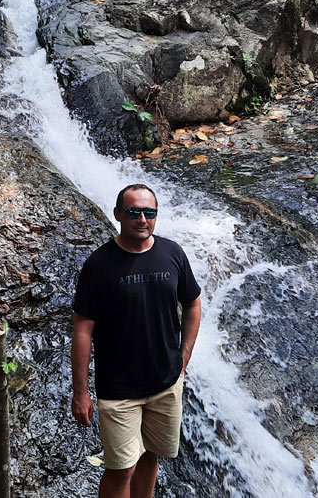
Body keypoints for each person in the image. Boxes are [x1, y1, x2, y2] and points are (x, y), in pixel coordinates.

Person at [71, 183, 202, 498]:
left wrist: (184, 357)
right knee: (121, 469)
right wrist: (80, 392)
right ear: (118, 214)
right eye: (134, 212)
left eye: (149, 212)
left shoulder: (172, 253)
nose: (142, 219)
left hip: (166, 384)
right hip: (119, 390)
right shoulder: (99, 265)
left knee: (150, 455)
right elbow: (82, 330)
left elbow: (193, 304)